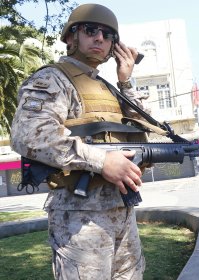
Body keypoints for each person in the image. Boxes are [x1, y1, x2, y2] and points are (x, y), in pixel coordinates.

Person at [11, 4, 148, 279]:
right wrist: (102, 161)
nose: (99, 37)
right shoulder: (52, 79)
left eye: (108, 35)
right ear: (71, 37)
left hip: (121, 210)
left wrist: (126, 82)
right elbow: (29, 135)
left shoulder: (107, 87)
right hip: (80, 219)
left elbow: (140, 129)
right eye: (90, 30)